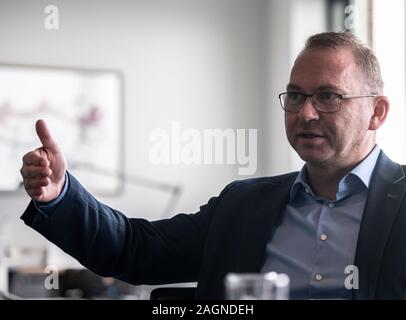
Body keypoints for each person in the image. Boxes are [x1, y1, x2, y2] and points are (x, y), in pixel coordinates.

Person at [20, 31, 406, 300]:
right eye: (295, 95)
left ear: (377, 112)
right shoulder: (243, 204)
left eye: (327, 96)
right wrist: (60, 195)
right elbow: (134, 250)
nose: (305, 112)